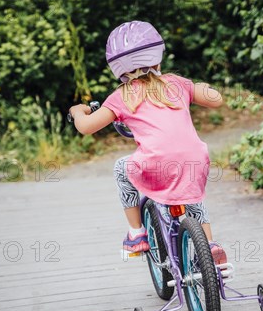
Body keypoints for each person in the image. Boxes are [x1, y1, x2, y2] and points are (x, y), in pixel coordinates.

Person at [68, 21, 227, 264]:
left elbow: (87, 128)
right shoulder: (177, 83)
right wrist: (200, 88)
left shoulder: (121, 96)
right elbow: (216, 100)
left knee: (121, 169)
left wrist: (78, 111)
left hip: (155, 164)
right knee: (191, 194)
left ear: (118, 67)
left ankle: (136, 233)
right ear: (157, 55)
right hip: (196, 160)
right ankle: (210, 245)